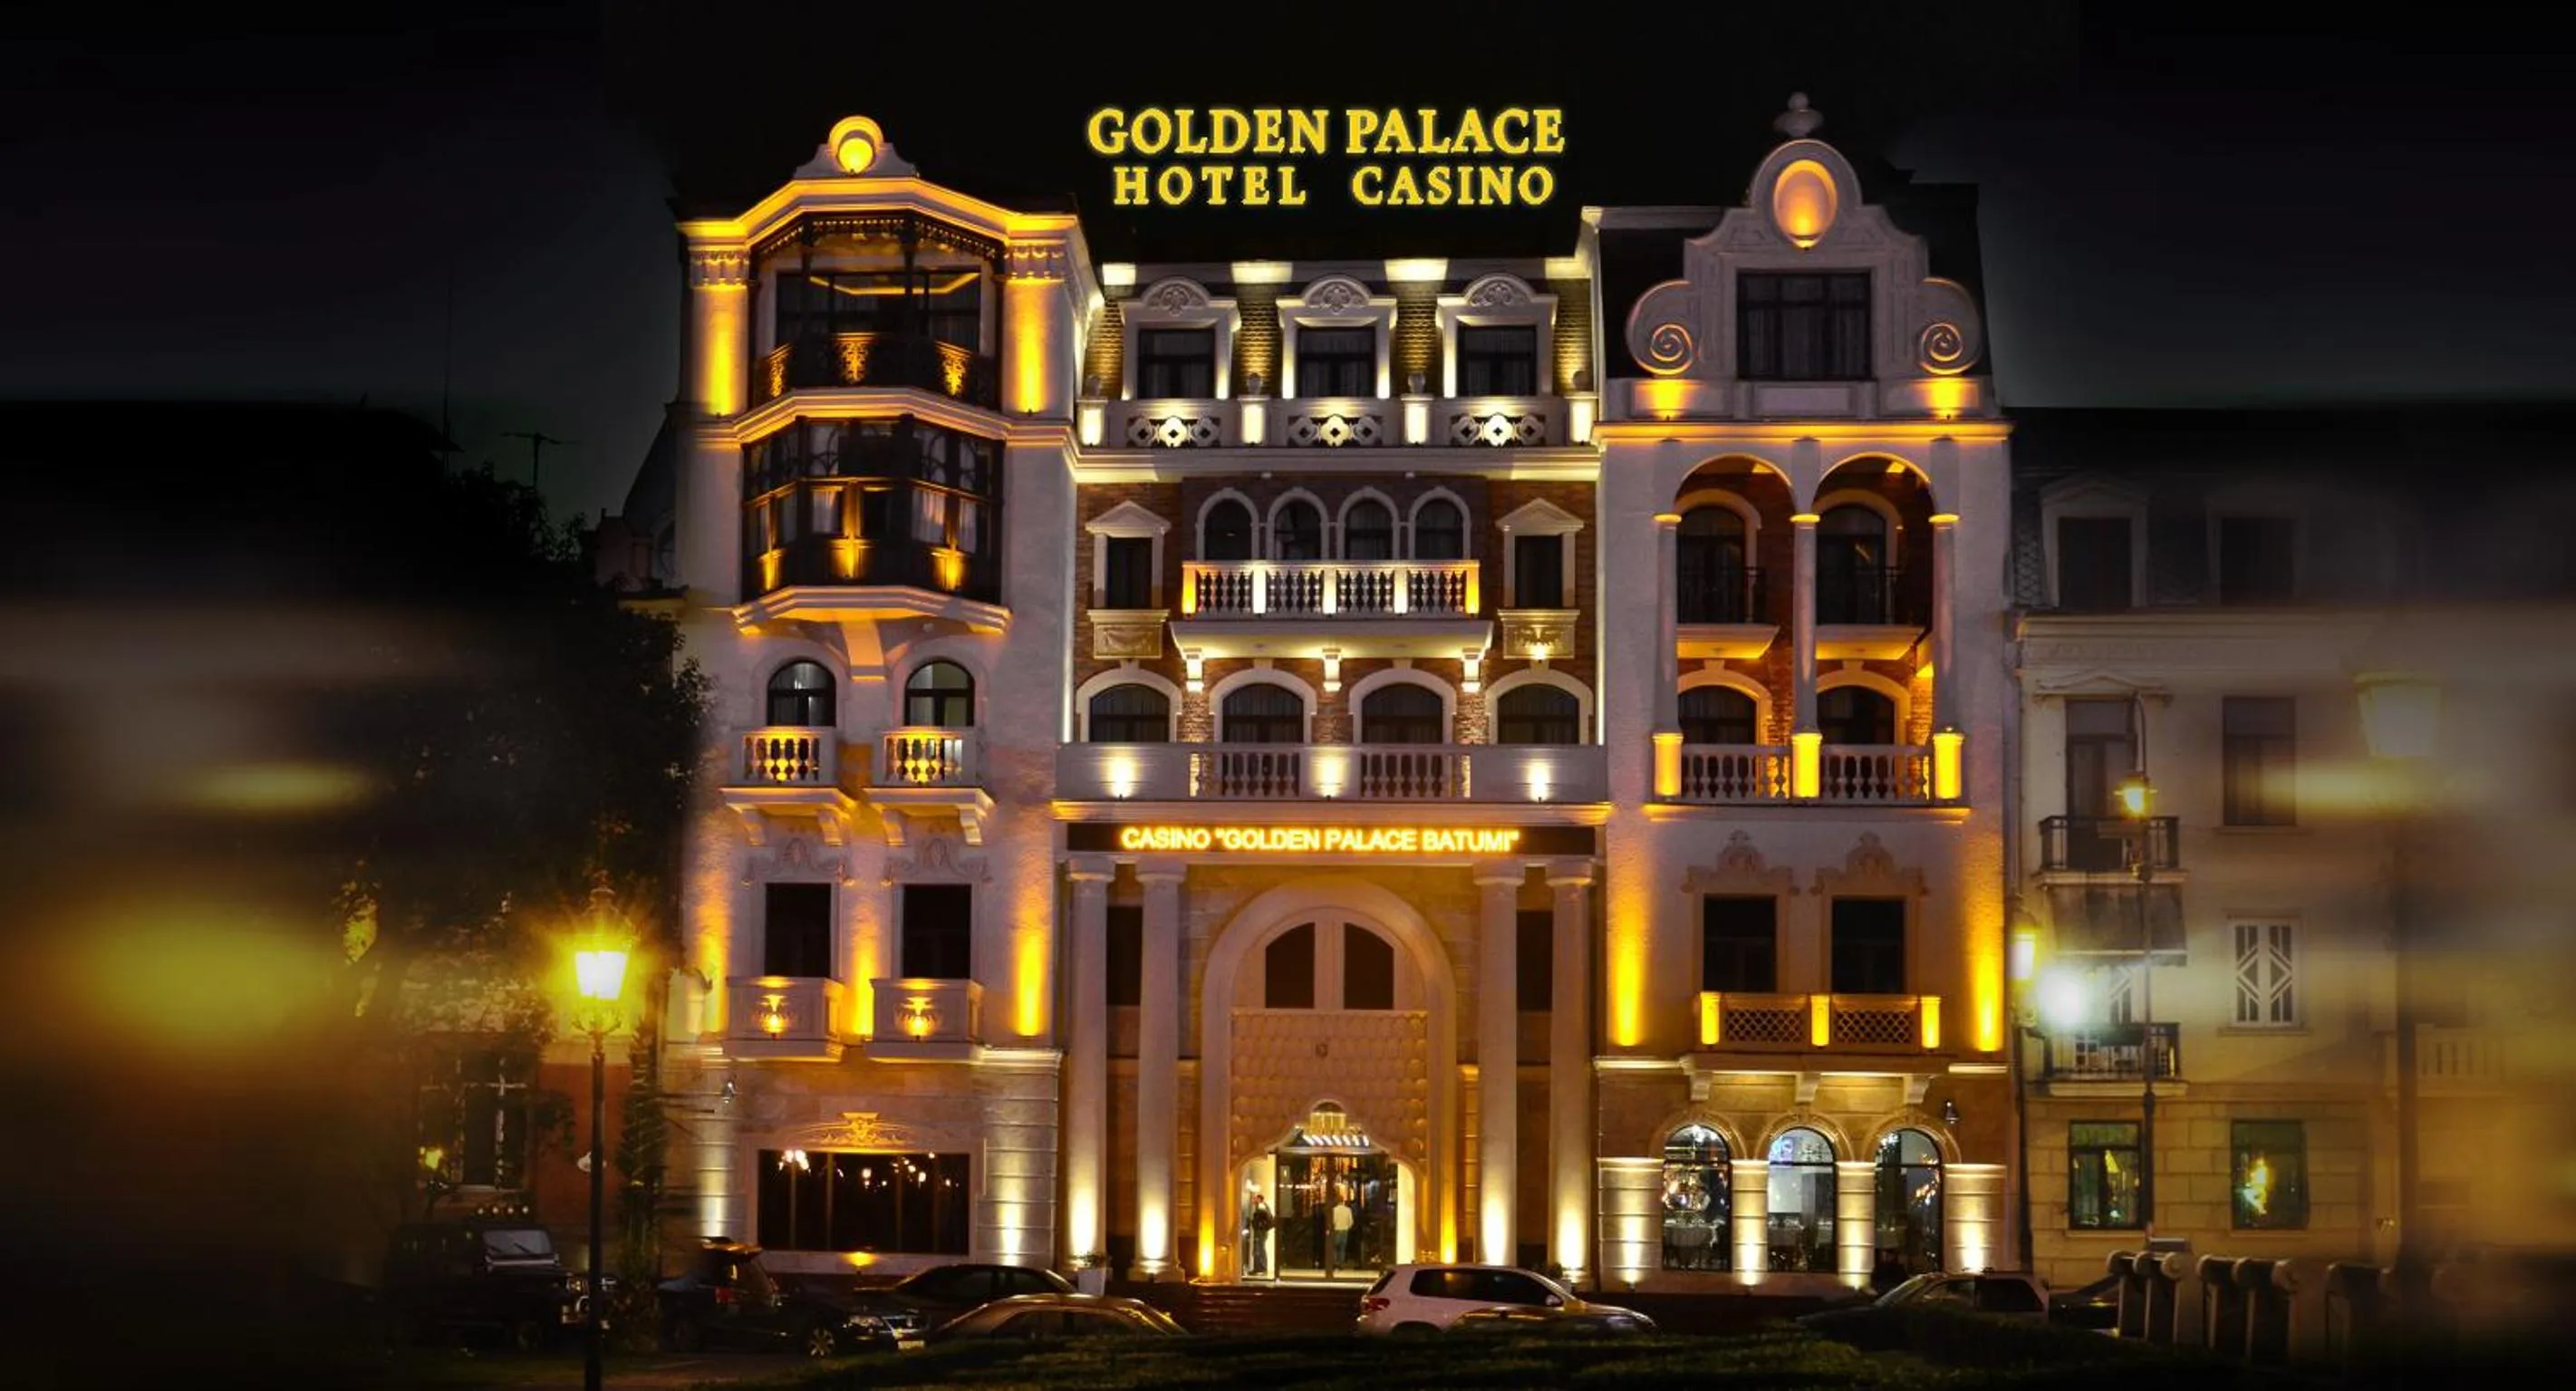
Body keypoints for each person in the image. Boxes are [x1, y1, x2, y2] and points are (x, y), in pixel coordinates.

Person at [1246, 1193, 1273, 1277]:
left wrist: (1254, 1222)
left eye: (1255, 1198)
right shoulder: (1262, 1206)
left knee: (1260, 1249)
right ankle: (1259, 1268)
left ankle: (1261, 1268)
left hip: (1261, 1231)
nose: (1253, 1200)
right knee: (1259, 1249)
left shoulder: (1261, 1206)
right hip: (1261, 1231)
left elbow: (1260, 1218)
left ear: (1259, 1199)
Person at [1329, 1193, 1355, 1274]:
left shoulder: (1334, 1210)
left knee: (1335, 1248)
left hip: (1336, 1230)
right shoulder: (1348, 1210)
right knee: (1342, 1248)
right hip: (1344, 1230)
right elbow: (1351, 1222)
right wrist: (1347, 1227)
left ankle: (1335, 1264)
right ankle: (1341, 1264)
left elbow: (1332, 1222)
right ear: (1343, 1201)